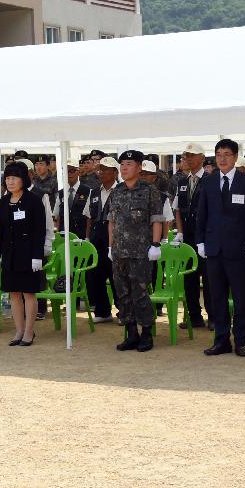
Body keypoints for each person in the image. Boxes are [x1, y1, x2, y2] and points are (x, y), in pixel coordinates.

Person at [197, 139, 245, 357]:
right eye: (218, 154)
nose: (222, 159)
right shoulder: (208, 181)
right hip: (214, 248)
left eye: (227, 154)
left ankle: (241, 340)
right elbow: (202, 215)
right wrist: (200, 241)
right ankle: (221, 340)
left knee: (241, 298)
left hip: (238, 248)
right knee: (217, 297)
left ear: (235, 157)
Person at [108, 150, 163, 352]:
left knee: (140, 294)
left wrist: (156, 245)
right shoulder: (117, 191)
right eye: (122, 164)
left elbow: (157, 219)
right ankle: (131, 333)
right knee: (123, 295)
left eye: (129, 164)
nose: (124, 168)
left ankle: (147, 333)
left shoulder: (150, 190)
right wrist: (110, 246)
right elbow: (111, 222)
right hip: (119, 251)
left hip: (141, 252)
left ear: (139, 167)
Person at [0, 161, 46, 346]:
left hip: (28, 255)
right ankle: (19, 330)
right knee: (13, 293)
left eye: (14, 178)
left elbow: (40, 231)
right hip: (10, 254)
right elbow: (0, 229)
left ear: (23, 179)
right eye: (7, 178)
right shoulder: (4, 200)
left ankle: (29, 332)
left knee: (29, 293)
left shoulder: (34, 200)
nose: (10, 182)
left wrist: (38, 255)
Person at [172, 143, 211, 329]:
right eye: (186, 155)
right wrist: (179, 231)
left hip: (206, 238)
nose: (188, 158)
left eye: (193, 155)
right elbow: (178, 209)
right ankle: (194, 316)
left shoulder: (212, 180)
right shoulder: (181, 182)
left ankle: (213, 317)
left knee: (210, 279)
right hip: (187, 237)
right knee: (190, 279)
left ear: (202, 158)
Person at [17, 158, 55, 320]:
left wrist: (46, 247)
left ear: (30, 175)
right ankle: (22, 309)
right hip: (17, 246)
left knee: (37, 280)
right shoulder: (10, 195)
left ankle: (40, 308)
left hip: (35, 246)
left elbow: (48, 223)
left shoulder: (40, 195)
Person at [85, 156, 120, 323]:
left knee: (116, 276)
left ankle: (123, 311)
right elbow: (89, 217)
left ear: (115, 172)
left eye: (106, 169)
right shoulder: (94, 192)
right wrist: (87, 237)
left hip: (115, 239)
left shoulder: (121, 190)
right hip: (96, 238)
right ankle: (102, 310)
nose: (102, 173)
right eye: (100, 169)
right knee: (95, 275)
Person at [53, 159, 91, 238]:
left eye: (72, 171)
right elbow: (56, 217)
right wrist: (56, 235)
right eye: (66, 171)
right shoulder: (60, 193)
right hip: (64, 236)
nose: (69, 174)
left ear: (78, 172)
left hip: (80, 236)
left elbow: (89, 218)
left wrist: (87, 237)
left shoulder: (87, 191)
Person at [141, 160, 174, 240]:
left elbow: (166, 220)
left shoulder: (162, 197)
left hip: (155, 242)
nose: (143, 177)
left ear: (154, 177)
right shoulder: (129, 194)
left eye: (146, 174)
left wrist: (165, 240)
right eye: (141, 174)